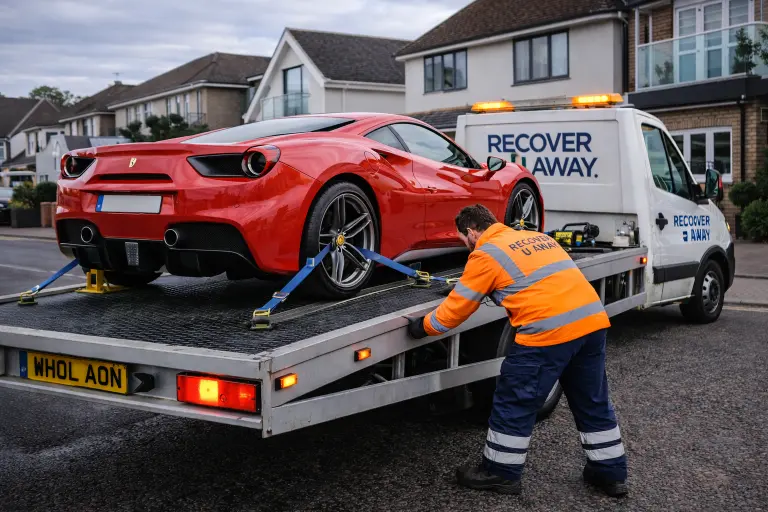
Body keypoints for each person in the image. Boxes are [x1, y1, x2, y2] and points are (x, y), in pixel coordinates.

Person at [407, 204, 628, 497]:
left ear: (471, 233)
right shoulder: (539, 238)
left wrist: (422, 327)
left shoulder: (485, 254)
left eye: (463, 240)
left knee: (515, 399)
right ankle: (609, 474)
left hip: (548, 333)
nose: (465, 246)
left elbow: (453, 312)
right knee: (592, 400)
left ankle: (501, 472)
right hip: (591, 324)